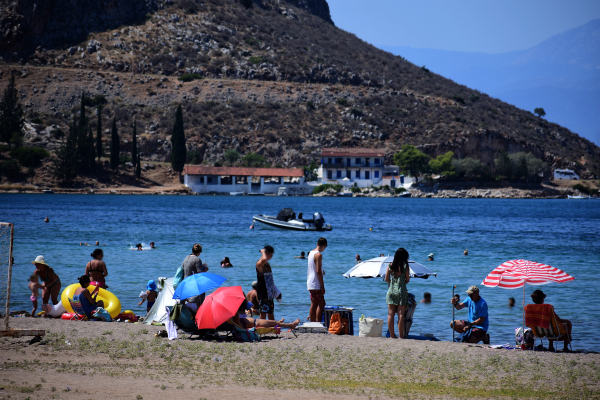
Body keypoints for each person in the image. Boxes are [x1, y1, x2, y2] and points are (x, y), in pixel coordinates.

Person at [385, 248, 410, 339]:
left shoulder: (390, 265)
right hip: (401, 292)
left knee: (390, 314)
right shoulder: (405, 266)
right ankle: (400, 336)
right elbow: (407, 280)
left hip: (391, 291)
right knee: (401, 314)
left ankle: (392, 335)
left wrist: (393, 283)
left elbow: (386, 279)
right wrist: (401, 283)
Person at [233, 300, 300, 330]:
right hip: (255, 323)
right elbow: (240, 327)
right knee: (274, 322)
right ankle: (291, 325)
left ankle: (279, 323)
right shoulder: (235, 314)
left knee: (273, 323)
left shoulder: (232, 314)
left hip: (255, 321)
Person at [256, 245, 280, 320]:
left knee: (270, 313)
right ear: (267, 253)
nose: (271, 257)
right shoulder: (259, 263)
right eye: (271, 255)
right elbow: (264, 259)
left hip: (269, 294)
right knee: (263, 313)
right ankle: (261, 329)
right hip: (263, 294)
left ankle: (273, 328)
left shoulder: (267, 264)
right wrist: (263, 251)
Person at [182, 243, 209, 309]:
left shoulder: (186, 258)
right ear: (199, 252)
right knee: (202, 291)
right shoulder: (197, 259)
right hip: (193, 283)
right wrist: (205, 269)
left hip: (185, 282)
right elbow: (199, 272)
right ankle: (197, 312)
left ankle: (188, 309)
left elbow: (183, 267)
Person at [308, 237, 327, 323]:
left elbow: (314, 266)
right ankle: (317, 323)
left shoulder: (311, 253)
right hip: (316, 283)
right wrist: (322, 286)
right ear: (324, 246)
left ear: (317, 244)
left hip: (310, 281)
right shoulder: (319, 255)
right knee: (321, 303)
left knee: (314, 303)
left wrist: (322, 270)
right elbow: (318, 272)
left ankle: (312, 323)